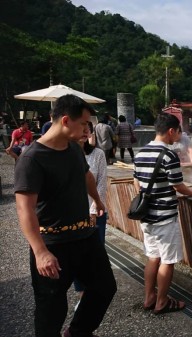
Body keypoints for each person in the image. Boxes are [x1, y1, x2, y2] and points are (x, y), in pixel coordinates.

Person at [14, 94, 116, 337]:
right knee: (52, 308)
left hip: (84, 235)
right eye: (84, 124)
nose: (87, 130)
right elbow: (24, 209)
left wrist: (97, 200)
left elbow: (86, 175)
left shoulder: (73, 148)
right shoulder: (31, 159)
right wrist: (40, 252)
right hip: (53, 243)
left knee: (104, 287)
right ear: (66, 121)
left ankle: (78, 332)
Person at [133, 113, 192, 315]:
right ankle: (162, 302)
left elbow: (136, 182)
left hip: (146, 217)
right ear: (171, 131)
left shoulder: (140, 153)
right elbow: (178, 185)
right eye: (178, 132)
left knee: (153, 258)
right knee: (167, 260)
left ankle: (149, 297)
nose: (179, 136)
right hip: (165, 217)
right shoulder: (169, 155)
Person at [72, 121, 108, 305]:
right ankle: (82, 294)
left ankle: (93, 292)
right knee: (77, 258)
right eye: (82, 127)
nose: (85, 132)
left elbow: (101, 184)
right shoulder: (64, 155)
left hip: (96, 213)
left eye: (88, 129)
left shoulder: (97, 154)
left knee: (95, 255)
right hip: (72, 216)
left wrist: (94, 210)